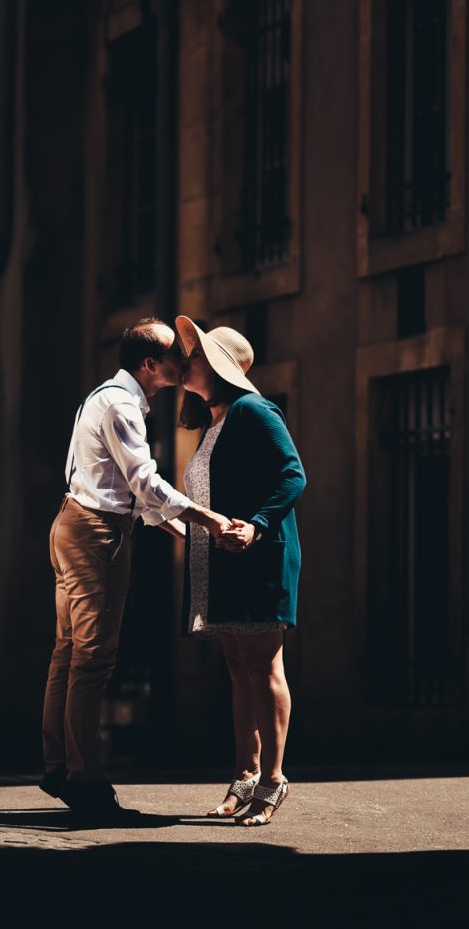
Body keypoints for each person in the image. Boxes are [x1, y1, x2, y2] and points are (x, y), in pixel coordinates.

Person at [40, 316, 231, 820]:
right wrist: (208, 518)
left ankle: (60, 766)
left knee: (70, 651)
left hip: (82, 523)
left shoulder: (111, 397)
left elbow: (140, 501)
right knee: (94, 658)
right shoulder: (122, 405)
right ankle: (87, 782)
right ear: (151, 364)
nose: (185, 363)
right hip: (95, 531)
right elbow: (146, 485)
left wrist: (186, 535)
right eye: (175, 356)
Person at [175, 315, 306, 827]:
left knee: (265, 668)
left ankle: (273, 780)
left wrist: (255, 525)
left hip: (257, 558)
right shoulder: (216, 421)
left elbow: (293, 474)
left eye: (195, 357)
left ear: (218, 367)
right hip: (220, 563)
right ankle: (244, 777)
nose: (187, 363)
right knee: (237, 670)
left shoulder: (255, 410)